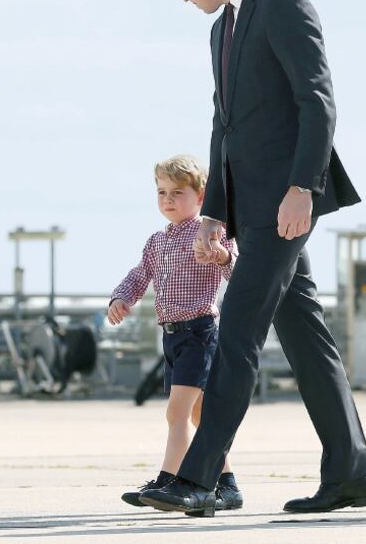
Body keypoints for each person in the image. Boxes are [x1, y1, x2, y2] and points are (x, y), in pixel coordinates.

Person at [140, 0, 366, 518]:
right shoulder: (222, 28)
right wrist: (214, 212)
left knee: (239, 330)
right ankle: (350, 474)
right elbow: (225, 128)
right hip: (249, 207)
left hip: (287, 204)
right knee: (305, 336)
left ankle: (200, 478)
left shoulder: (282, 2)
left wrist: (304, 188)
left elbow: (317, 101)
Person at [108, 155, 243, 513]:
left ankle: (169, 480)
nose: (168, 199)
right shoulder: (157, 241)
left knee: (176, 412)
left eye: (178, 192)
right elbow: (140, 275)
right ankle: (227, 486)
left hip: (200, 333)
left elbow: (238, 272)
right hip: (173, 338)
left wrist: (220, 258)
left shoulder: (212, 233)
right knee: (198, 417)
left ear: (201, 197)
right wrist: (121, 298)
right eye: (162, 192)